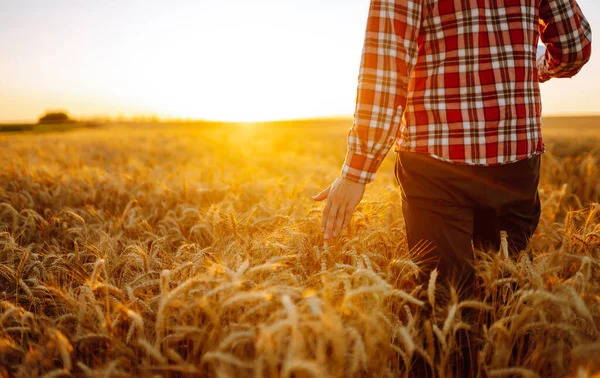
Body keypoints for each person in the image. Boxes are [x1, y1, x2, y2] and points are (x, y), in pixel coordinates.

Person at [314, 0, 591, 291]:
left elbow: (386, 71)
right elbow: (574, 48)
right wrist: (530, 64)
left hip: (434, 161)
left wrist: (356, 171)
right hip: (515, 156)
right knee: (508, 291)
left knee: (445, 296)